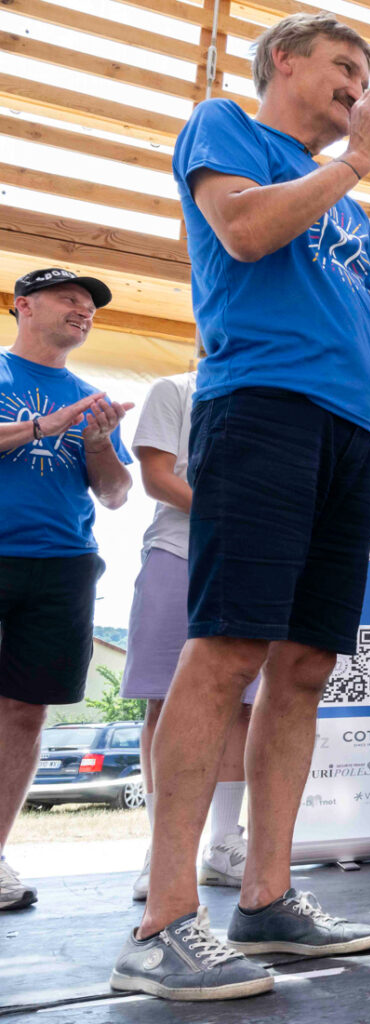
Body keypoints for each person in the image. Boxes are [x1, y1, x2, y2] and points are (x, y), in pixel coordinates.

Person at [115, 11, 370, 1001]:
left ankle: (267, 897)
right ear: (282, 61)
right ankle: (164, 917)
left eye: (365, 72)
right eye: (344, 65)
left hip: (351, 431)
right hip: (262, 408)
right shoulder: (227, 127)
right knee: (227, 648)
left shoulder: (348, 209)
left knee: (305, 665)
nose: (357, 84)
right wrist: (357, 160)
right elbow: (244, 230)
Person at [0, 267, 132, 912]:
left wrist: (99, 444)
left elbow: (116, 495)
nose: (84, 310)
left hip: (64, 566)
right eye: (69, 299)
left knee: (27, 711)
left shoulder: (90, 398)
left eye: (90, 306)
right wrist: (42, 427)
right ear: (23, 306)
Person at [122, 370, 255, 903]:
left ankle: (224, 843)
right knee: (164, 701)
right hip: (178, 553)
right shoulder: (174, 389)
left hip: (247, 565)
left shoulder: (269, 394)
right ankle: (163, 851)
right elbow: (156, 478)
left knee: (242, 704)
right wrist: (229, 520)